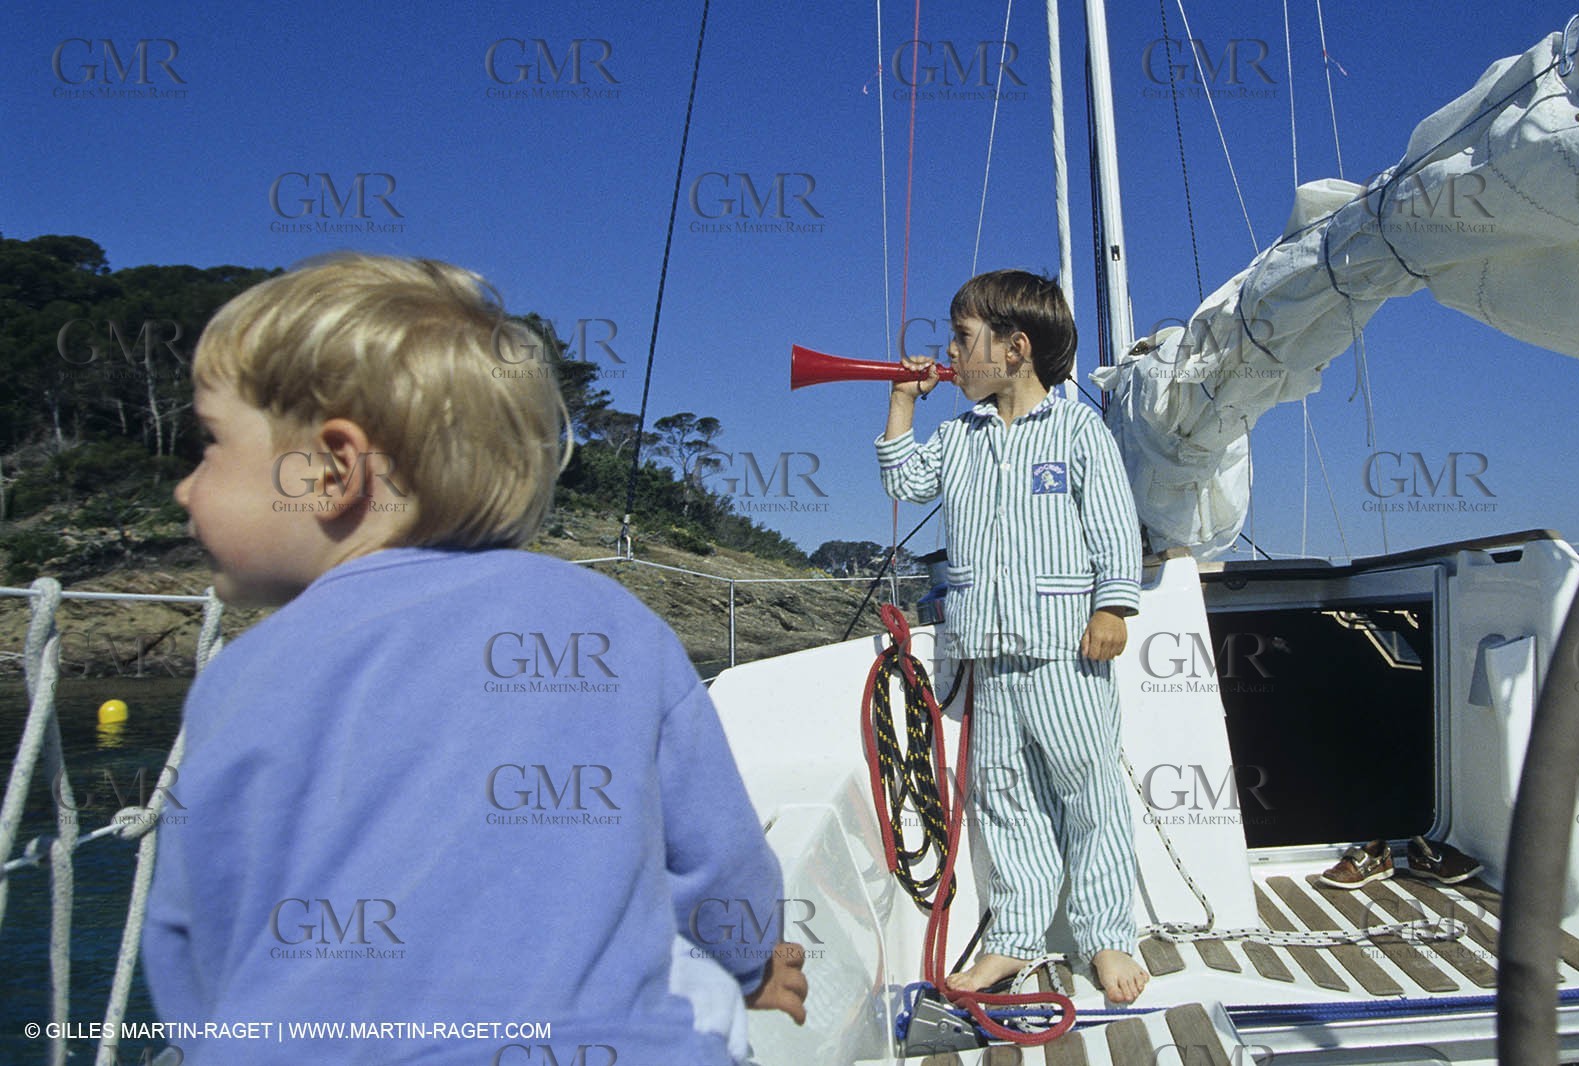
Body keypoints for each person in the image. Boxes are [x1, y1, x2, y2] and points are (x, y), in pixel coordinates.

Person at [143, 253, 805, 1063]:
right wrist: (747, 967)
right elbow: (720, 863)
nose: (184, 488)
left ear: (332, 469)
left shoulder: (240, 677)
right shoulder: (610, 624)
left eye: (208, 443)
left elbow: (191, 934)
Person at [875, 269, 1149, 1004]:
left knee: (1089, 794)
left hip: (1066, 654)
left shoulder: (1078, 430)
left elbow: (1115, 527)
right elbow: (905, 482)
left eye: (963, 338)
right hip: (989, 657)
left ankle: (1106, 934)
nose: (950, 352)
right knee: (1004, 797)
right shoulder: (958, 436)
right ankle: (1016, 935)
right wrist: (902, 403)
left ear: (1015, 348)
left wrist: (1113, 608)